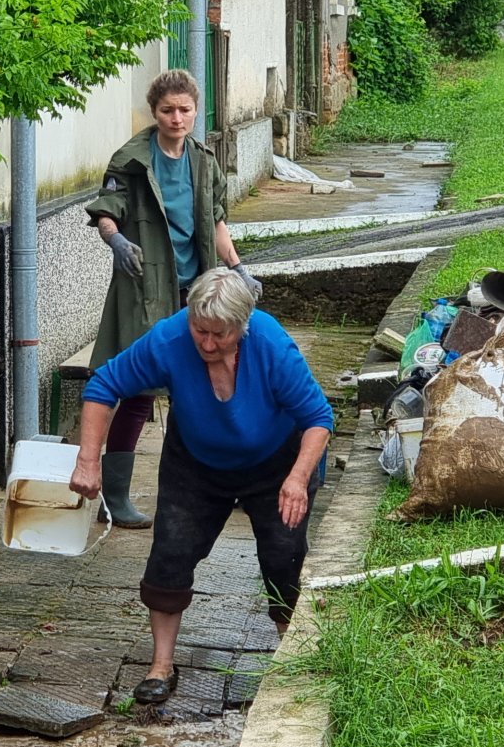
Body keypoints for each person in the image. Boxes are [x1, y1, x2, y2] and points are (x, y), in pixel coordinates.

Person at [69, 268, 333, 703]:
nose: (208, 344)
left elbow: (319, 418)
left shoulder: (270, 345)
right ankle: (160, 667)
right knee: (171, 554)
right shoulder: (170, 339)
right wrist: (87, 460)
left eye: (220, 335)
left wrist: (297, 480)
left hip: (276, 464)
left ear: (242, 327)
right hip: (195, 461)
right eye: (200, 331)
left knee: (283, 557)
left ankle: (293, 660)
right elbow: (104, 384)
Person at [83, 69, 261, 529]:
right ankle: (116, 498)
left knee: (212, 384)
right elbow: (108, 212)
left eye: (184, 110)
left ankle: (216, 483)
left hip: (196, 291)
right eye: (168, 110)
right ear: (154, 112)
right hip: (145, 289)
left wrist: (238, 267)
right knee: (138, 392)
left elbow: (217, 221)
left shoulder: (203, 162)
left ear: (196, 111)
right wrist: (116, 241)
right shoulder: (132, 160)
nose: (176, 118)